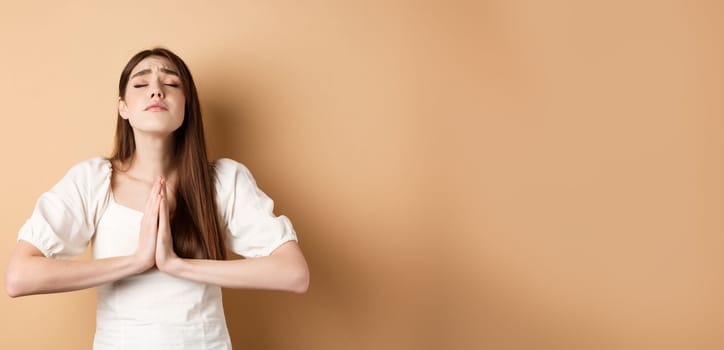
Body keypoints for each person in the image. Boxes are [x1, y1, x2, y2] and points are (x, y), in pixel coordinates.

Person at [4, 47, 309, 349]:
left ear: (186, 105)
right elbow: (20, 277)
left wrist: (177, 265)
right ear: (123, 107)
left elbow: (293, 274)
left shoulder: (224, 181)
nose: (156, 91)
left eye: (171, 84)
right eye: (141, 84)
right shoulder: (93, 180)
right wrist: (136, 261)